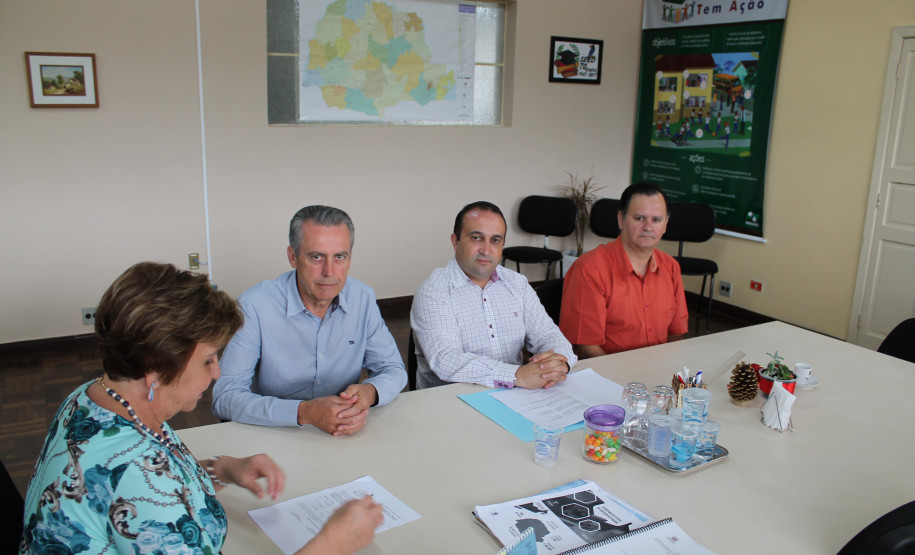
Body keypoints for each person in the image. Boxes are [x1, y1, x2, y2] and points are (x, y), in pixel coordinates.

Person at [19, 262, 383, 554]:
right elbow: (148, 486)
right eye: (208, 360)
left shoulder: (93, 396)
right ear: (157, 368)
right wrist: (332, 543)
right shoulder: (137, 477)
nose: (218, 372)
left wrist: (222, 469)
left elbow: (160, 477)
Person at [212, 205, 406, 435]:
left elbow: (393, 369)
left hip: (344, 431)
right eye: (316, 257)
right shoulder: (255, 306)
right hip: (275, 433)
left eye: (339, 257)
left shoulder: (362, 298)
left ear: (350, 258)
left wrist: (370, 392)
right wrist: (304, 412)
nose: (329, 271)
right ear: (293, 257)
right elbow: (224, 398)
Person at [411, 201, 577, 389]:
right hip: (450, 400)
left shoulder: (517, 283)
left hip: (513, 395)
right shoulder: (434, 290)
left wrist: (559, 363)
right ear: (455, 241)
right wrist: (515, 375)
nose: (486, 250)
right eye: (476, 238)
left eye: (495, 240)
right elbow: (446, 359)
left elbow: (547, 334)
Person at [560, 183, 688, 359]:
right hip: (608, 375)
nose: (648, 227)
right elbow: (586, 347)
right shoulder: (590, 268)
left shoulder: (671, 267)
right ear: (621, 220)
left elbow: (677, 335)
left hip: (658, 372)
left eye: (656, 220)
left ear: (665, 224)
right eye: (639, 218)